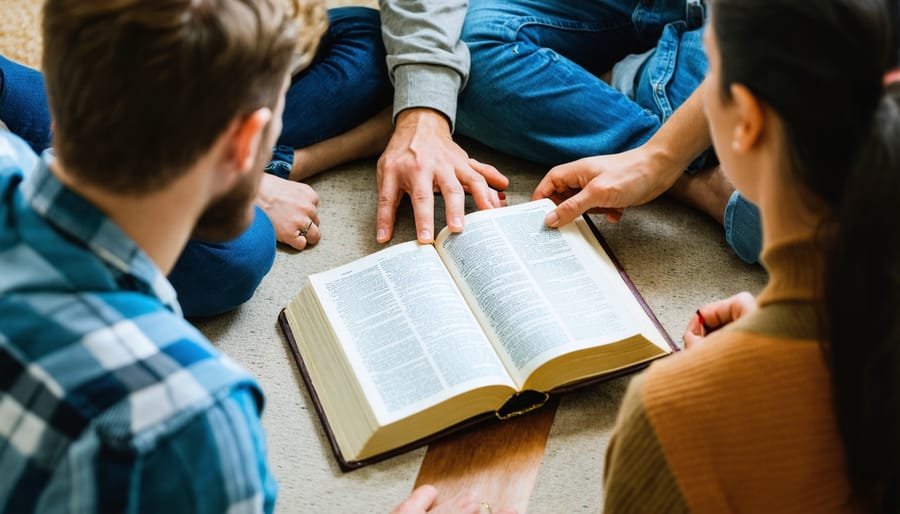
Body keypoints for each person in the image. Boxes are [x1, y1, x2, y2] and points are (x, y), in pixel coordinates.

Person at [600, 0, 900, 511]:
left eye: (711, 69)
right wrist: (772, 338)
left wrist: (722, 387)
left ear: (746, 121)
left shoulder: (671, 418)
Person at [0, 4, 393, 317]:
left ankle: (203, 146)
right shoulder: (205, 401)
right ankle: (226, 154)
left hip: (90, 122)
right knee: (243, 250)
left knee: (365, 37)